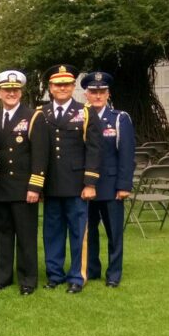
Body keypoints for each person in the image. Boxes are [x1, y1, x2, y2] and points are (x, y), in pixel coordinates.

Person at [40, 64, 102, 294]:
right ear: (50, 87)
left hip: (77, 185)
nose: (63, 88)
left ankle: (78, 276)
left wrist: (90, 183)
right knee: (52, 233)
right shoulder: (42, 113)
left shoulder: (85, 112)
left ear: (73, 85)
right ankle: (54, 274)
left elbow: (94, 150)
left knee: (78, 233)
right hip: (52, 185)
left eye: (67, 84)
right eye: (58, 84)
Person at [0, 71, 48, 295]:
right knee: (3, 235)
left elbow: (40, 155)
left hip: (24, 189)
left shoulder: (33, 117)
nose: (11, 93)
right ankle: (3, 277)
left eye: (15, 90)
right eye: (6, 90)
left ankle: (27, 280)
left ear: (20, 92)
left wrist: (35, 186)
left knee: (26, 237)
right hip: (0, 188)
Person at [81, 71, 136, 287]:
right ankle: (93, 269)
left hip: (112, 186)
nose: (97, 95)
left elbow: (126, 154)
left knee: (114, 233)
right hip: (87, 186)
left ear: (108, 93)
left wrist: (124, 185)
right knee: (90, 231)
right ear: (86, 94)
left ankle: (114, 274)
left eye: (101, 91)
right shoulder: (81, 118)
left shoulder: (119, 119)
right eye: (93, 92)